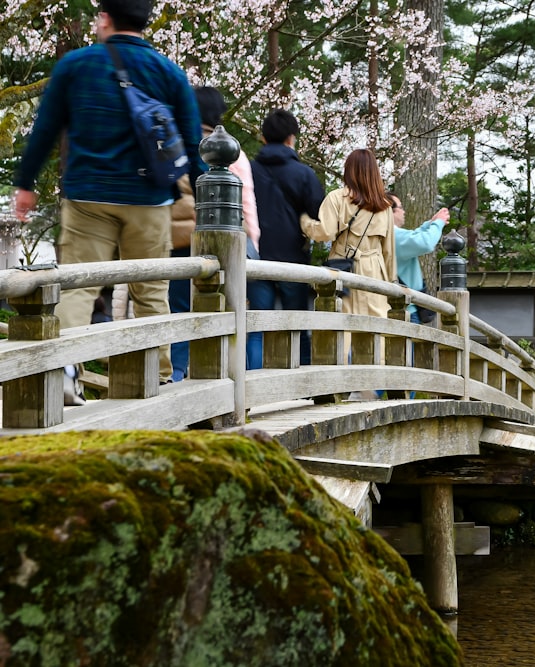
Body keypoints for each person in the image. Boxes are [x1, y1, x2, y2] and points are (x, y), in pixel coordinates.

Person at [11, 0, 205, 403]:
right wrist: (207, 190)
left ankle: (63, 373)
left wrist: (25, 184)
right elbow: (190, 143)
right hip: (149, 200)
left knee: (78, 288)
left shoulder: (77, 65)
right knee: (151, 292)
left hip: (88, 196)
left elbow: (45, 128)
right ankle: (154, 381)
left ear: (105, 19)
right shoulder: (168, 72)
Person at [169, 86, 260, 382]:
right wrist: (250, 245)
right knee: (226, 312)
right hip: (224, 248)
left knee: (180, 311)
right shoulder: (234, 152)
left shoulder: (175, 145)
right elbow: (247, 205)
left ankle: (177, 374)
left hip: (178, 242)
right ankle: (229, 379)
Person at [248, 109, 325, 368]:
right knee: (297, 325)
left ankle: (251, 389)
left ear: (263, 138)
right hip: (293, 260)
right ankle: (301, 386)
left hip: (256, 258)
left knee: (257, 327)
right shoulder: (303, 174)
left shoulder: (250, 170)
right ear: (291, 139)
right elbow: (319, 213)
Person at [302, 149, 396, 322]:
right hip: (374, 272)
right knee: (374, 328)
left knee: (338, 326)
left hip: (342, 267)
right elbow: (388, 250)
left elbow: (325, 233)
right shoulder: (385, 206)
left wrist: (305, 223)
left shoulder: (337, 198)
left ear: (349, 170)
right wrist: (392, 283)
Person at [389, 193, 449, 324]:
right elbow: (425, 242)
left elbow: (414, 236)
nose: (404, 211)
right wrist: (438, 224)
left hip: (404, 307)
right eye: (401, 207)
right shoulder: (393, 235)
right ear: (390, 211)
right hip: (406, 310)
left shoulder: (390, 234)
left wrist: (431, 224)